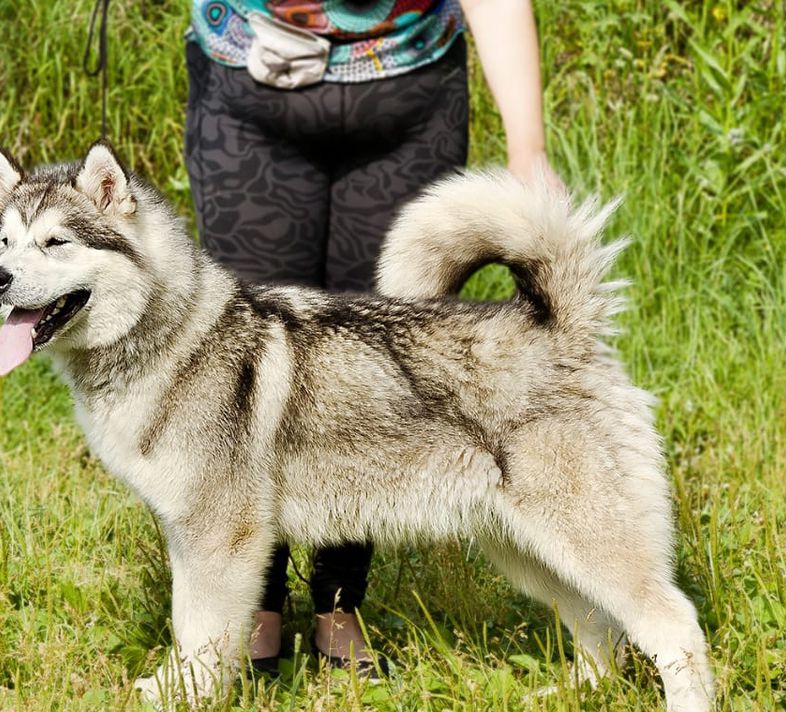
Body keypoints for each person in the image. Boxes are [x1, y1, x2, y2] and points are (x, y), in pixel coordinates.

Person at [183, 0, 563, 675]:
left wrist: (528, 150)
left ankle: (338, 604)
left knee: (378, 374)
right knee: (243, 368)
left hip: (409, 95)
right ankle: (257, 605)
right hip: (250, 90)